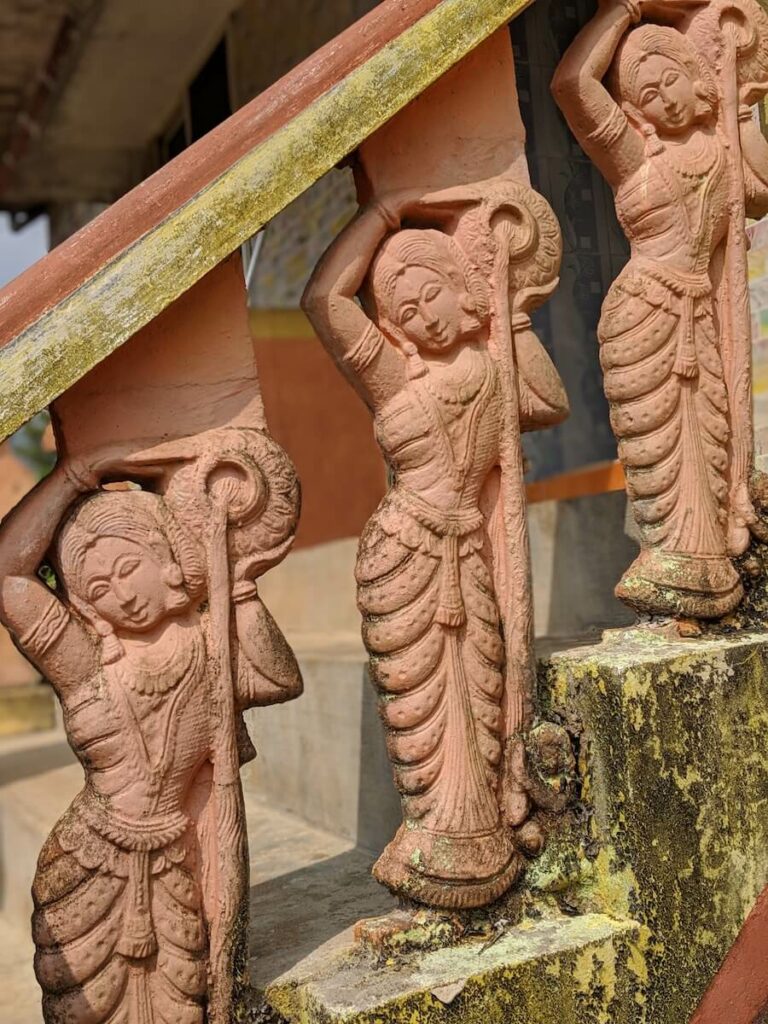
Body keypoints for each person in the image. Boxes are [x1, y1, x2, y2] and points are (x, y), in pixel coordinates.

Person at [303, 193, 568, 907]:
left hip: (464, 553)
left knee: (478, 681)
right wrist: (385, 212)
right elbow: (325, 298)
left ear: (463, 290)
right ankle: (434, 834)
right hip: (402, 551)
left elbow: (549, 401)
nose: (425, 317)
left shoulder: (494, 367)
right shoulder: (395, 377)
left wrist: (506, 313)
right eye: (408, 314)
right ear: (400, 335)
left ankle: (475, 834)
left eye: (433, 296)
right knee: (417, 698)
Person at [0, 451, 301, 1024]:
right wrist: (71, 477)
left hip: (172, 869)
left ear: (164, 557)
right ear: (90, 606)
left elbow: (278, 679)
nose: (122, 592)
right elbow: (6, 576)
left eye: (128, 566)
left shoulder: (210, 645)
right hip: (86, 863)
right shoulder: (86, 661)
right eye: (100, 587)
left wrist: (238, 585)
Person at [552, 0, 768, 618]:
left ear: (695, 75)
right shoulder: (633, 157)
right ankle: (672, 556)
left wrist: (743, 108)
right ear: (634, 112)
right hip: (644, 310)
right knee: (658, 441)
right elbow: (571, 84)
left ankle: (709, 569)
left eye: (672, 78)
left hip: (700, 314)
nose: (665, 99)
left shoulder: (723, 148)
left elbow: (760, 190)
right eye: (648, 94)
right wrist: (628, 10)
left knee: (711, 429)